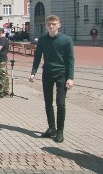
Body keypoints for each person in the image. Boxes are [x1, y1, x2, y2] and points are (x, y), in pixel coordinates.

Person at [28, 15, 75, 143]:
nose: (51, 26)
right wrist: (33, 72)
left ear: (59, 25)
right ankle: (51, 128)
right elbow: (37, 57)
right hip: (47, 73)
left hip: (61, 74)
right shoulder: (42, 40)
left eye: (54, 24)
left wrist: (70, 78)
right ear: (46, 25)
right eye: (49, 24)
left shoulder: (66, 40)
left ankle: (60, 131)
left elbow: (70, 60)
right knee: (48, 102)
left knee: (60, 103)